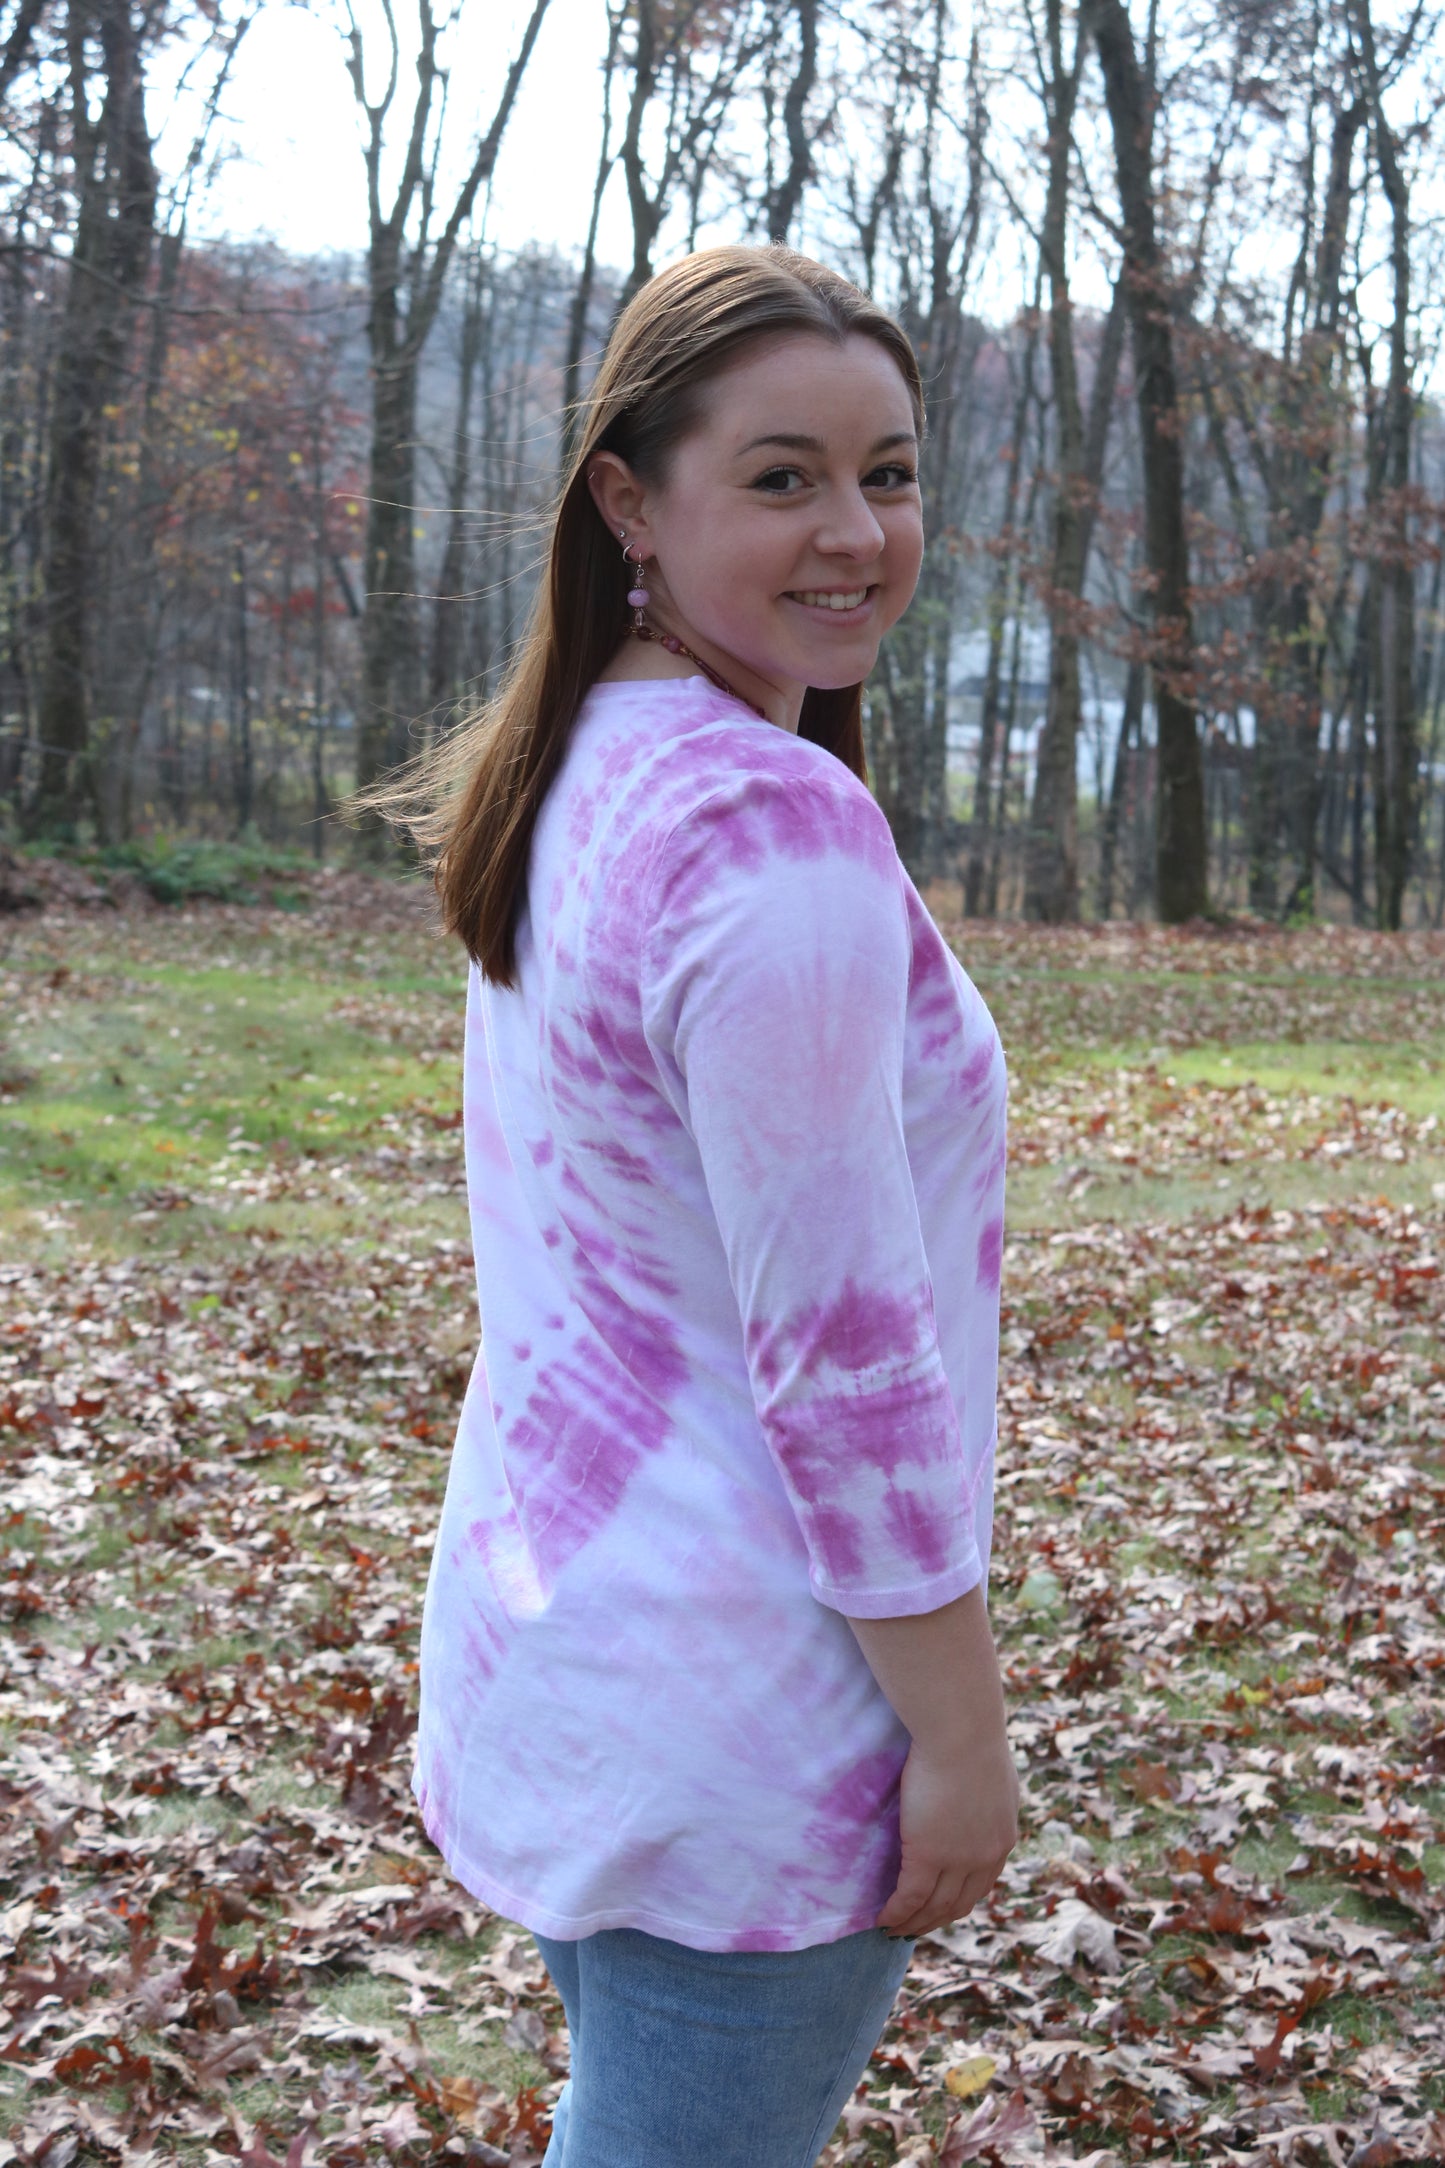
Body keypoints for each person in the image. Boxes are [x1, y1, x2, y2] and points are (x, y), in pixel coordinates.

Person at [375, 244, 1018, 2168]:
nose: (855, 532)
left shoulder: (576, 766)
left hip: (568, 1649)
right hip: (754, 1719)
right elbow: (845, 1366)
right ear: (629, 500)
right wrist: (961, 1737)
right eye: (781, 476)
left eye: (887, 473)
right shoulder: (761, 823)